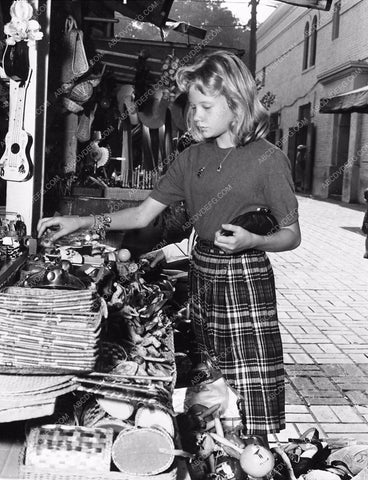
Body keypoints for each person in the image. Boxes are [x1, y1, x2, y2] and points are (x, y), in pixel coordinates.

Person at [38, 50, 301, 444]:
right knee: (209, 371)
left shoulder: (268, 160)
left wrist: (255, 240)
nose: (195, 115)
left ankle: (259, 453)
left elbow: (292, 234)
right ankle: (217, 451)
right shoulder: (190, 157)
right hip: (204, 271)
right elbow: (143, 214)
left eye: (205, 106)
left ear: (236, 104)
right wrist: (82, 221)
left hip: (246, 277)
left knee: (252, 376)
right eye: (192, 106)